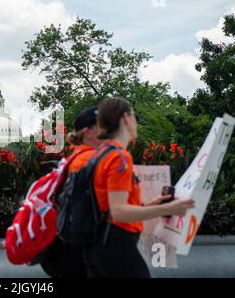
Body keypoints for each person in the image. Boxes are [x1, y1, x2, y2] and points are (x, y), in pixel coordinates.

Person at [82, 97, 195, 278]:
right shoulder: (119, 157)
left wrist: (149, 206)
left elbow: (108, 207)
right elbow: (118, 212)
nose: (136, 122)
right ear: (126, 118)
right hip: (117, 244)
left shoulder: (99, 154)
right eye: (135, 116)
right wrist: (167, 208)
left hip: (97, 244)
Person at [41, 106, 101, 278]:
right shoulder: (88, 160)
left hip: (67, 248)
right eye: (103, 126)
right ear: (88, 132)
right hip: (78, 250)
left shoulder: (76, 157)